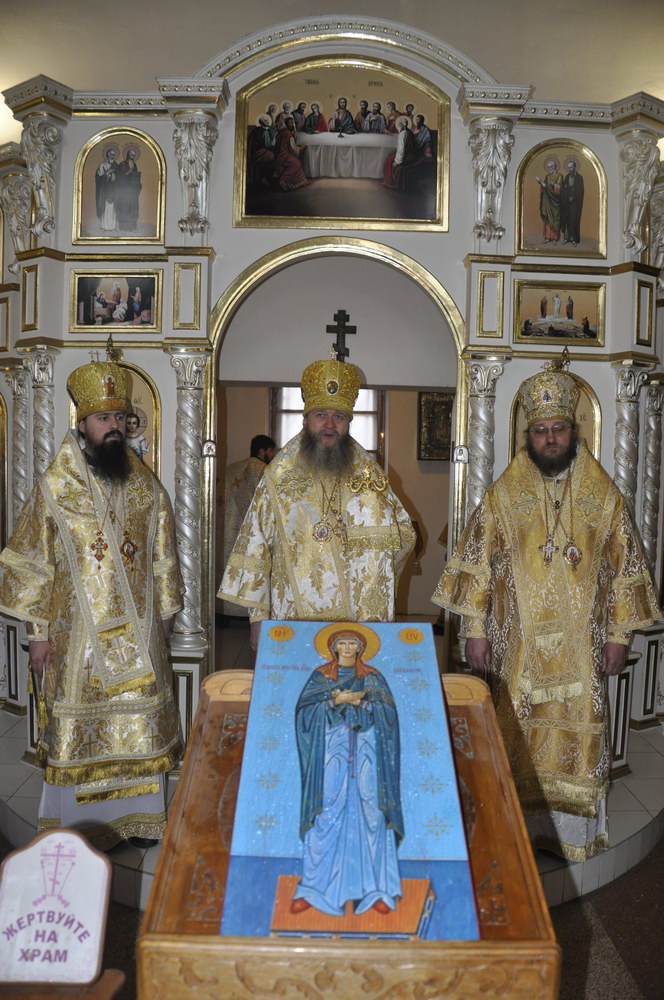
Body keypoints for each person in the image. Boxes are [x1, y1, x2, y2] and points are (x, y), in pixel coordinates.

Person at [432, 367, 660, 861]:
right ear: (528, 436)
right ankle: (518, 830)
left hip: (583, 648)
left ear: (573, 432)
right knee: (517, 733)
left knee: (577, 731)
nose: (550, 438)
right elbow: (476, 565)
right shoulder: (502, 495)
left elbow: (626, 569)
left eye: (558, 428)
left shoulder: (604, 495)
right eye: (540, 430)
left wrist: (619, 636)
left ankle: (572, 837)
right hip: (517, 648)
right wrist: (475, 631)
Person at [0, 361, 184, 851]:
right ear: (81, 423)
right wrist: (37, 634)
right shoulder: (55, 487)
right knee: (81, 729)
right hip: (76, 639)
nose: (114, 427)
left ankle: (140, 821)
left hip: (139, 636)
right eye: (103, 418)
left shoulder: (145, 485)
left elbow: (164, 554)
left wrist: (166, 617)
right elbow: (32, 564)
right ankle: (77, 824)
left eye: (120, 418)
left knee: (138, 728)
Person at [218, 358, 415, 650]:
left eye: (339, 417)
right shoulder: (279, 476)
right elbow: (255, 546)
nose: (329, 424)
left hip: (356, 617)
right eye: (321, 415)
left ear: (348, 423)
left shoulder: (370, 476)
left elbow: (403, 538)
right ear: (306, 419)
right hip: (291, 615)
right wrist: (258, 618)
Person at [291, 625, 402, 916]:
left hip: (367, 750)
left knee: (372, 812)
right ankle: (314, 890)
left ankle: (377, 891)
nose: (348, 648)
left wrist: (363, 703)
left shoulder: (373, 677)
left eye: (353, 643)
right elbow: (304, 713)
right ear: (334, 647)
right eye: (343, 643)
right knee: (327, 809)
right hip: (331, 749)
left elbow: (389, 715)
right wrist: (334, 701)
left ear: (361, 647)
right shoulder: (321, 676)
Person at [221, 434, 276, 618]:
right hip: (249, 530)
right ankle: (247, 612)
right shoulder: (262, 469)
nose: (273, 455)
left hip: (226, 527)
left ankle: (225, 609)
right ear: (262, 451)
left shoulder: (231, 468)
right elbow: (265, 504)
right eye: (271, 451)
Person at [273, 117, 309, 191]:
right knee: (297, 163)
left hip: (279, 154)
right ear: (286, 124)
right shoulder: (288, 134)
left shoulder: (282, 131)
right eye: (290, 123)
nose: (292, 124)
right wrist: (301, 147)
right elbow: (293, 149)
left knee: (296, 161)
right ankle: (283, 180)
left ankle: (302, 181)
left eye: (293, 123)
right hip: (283, 155)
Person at [536, 157, 564, 244]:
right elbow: (545, 187)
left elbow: (560, 188)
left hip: (555, 202)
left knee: (555, 219)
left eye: (551, 166)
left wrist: (554, 185)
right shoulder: (547, 176)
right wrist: (541, 183)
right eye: (548, 167)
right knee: (547, 219)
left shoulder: (559, 176)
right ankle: (547, 237)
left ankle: (555, 238)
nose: (550, 168)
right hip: (547, 201)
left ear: (555, 166)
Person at [383, 117, 416, 189]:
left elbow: (401, 149)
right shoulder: (409, 132)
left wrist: (398, 161)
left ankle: (390, 181)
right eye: (399, 123)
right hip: (411, 155)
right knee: (391, 157)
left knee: (389, 159)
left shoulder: (403, 134)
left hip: (406, 156)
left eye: (400, 124)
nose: (399, 125)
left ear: (403, 125)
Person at [115, 146, 142, 232]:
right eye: (131, 155)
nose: (132, 156)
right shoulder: (122, 164)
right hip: (124, 191)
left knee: (133, 208)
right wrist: (127, 173)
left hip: (133, 191)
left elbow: (136, 177)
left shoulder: (135, 165)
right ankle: (123, 228)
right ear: (128, 154)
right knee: (124, 208)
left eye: (134, 155)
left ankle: (133, 227)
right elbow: (118, 177)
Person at [95, 145, 119, 232]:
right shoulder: (102, 165)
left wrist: (113, 176)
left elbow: (119, 177)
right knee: (105, 208)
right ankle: (104, 227)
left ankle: (112, 227)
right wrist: (103, 175)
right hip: (105, 190)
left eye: (114, 155)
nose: (112, 156)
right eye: (111, 154)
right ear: (107, 155)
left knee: (112, 209)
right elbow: (98, 177)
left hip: (113, 190)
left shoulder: (116, 166)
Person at [561, 158, 584, 246]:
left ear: (575, 167)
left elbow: (580, 191)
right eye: (568, 168)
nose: (569, 169)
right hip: (567, 202)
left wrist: (573, 197)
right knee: (567, 220)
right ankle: (566, 238)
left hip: (575, 203)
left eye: (571, 167)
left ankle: (574, 239)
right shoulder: (567, 177)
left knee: (573, 220)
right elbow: (564, 188)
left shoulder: (579, 178)